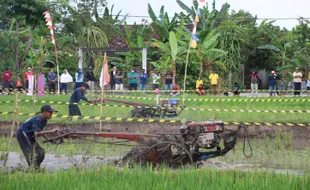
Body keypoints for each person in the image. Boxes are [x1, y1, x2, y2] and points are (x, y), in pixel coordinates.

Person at [17, 104, 58, 169]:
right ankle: (33, 168)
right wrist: (51, 131)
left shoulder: (44, 120)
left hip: (30, 135)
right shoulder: (37, 120)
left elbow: (39, 132)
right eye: (50, 112)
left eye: (52, 113)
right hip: (23, 134)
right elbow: (37, 134)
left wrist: (48, 139)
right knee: (30, 153)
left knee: (41, 152)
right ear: (44, 112)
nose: (51, 114)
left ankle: (36, 167)